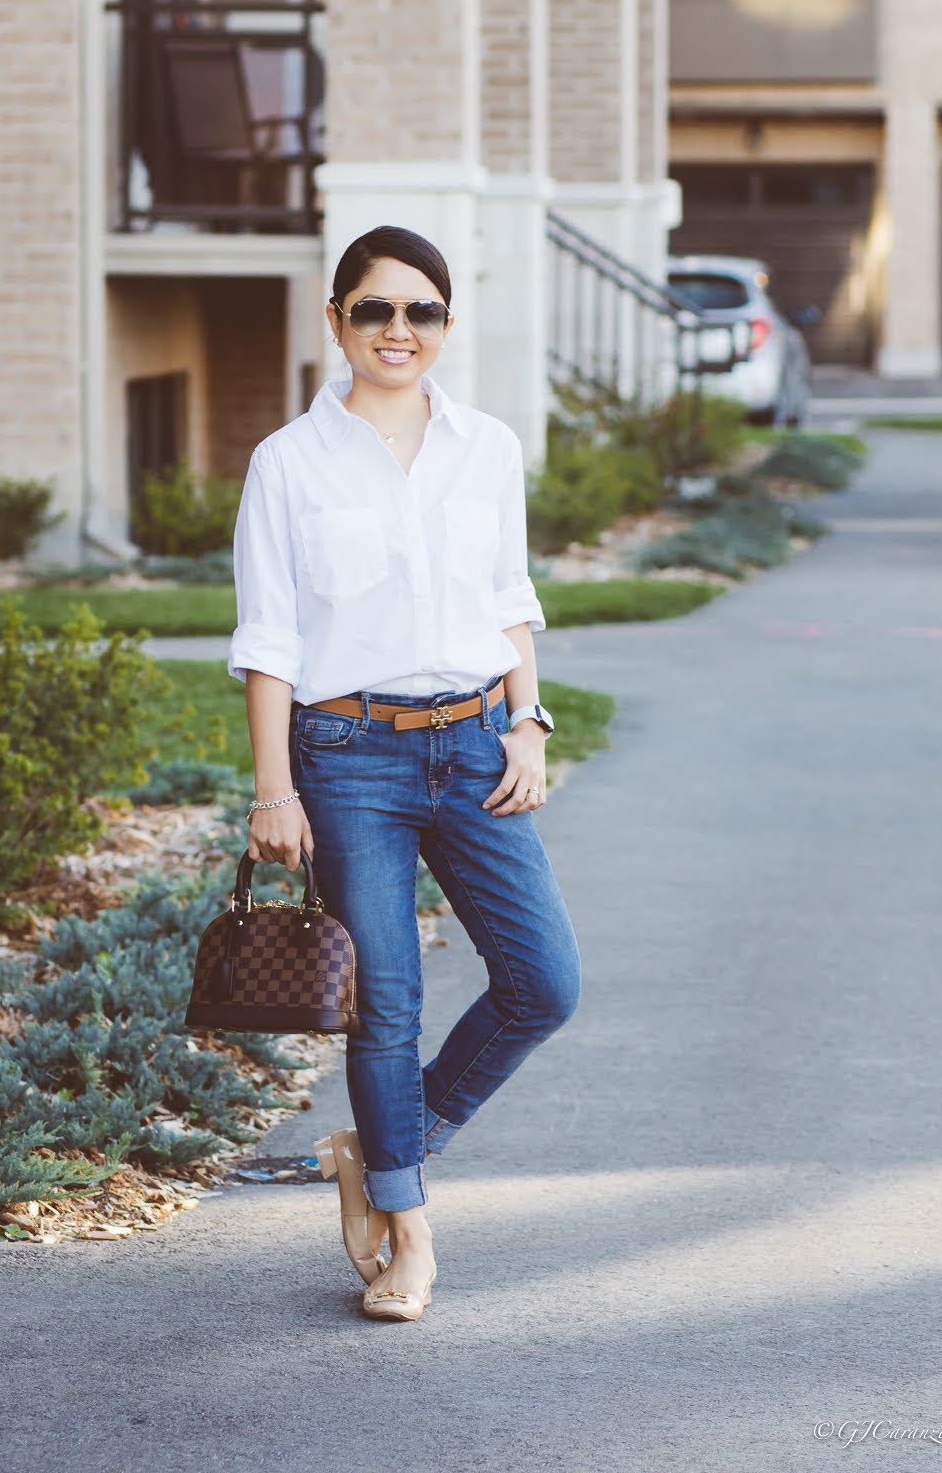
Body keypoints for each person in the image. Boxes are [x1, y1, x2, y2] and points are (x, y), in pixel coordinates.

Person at [228, 224, 580, 1323]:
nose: (397, 329)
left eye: (419, 311)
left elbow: (511, 599)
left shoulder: (486, 446)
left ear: (445, 325)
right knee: (387, 1001)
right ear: (336, 321)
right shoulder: (287, 462)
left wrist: (530, 725)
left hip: (478, 744)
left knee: (544, 983)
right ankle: (407, 1230)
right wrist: (273, 787)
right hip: (349, 760)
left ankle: (379, 1149)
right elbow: (268, 642)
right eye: (373, 309)